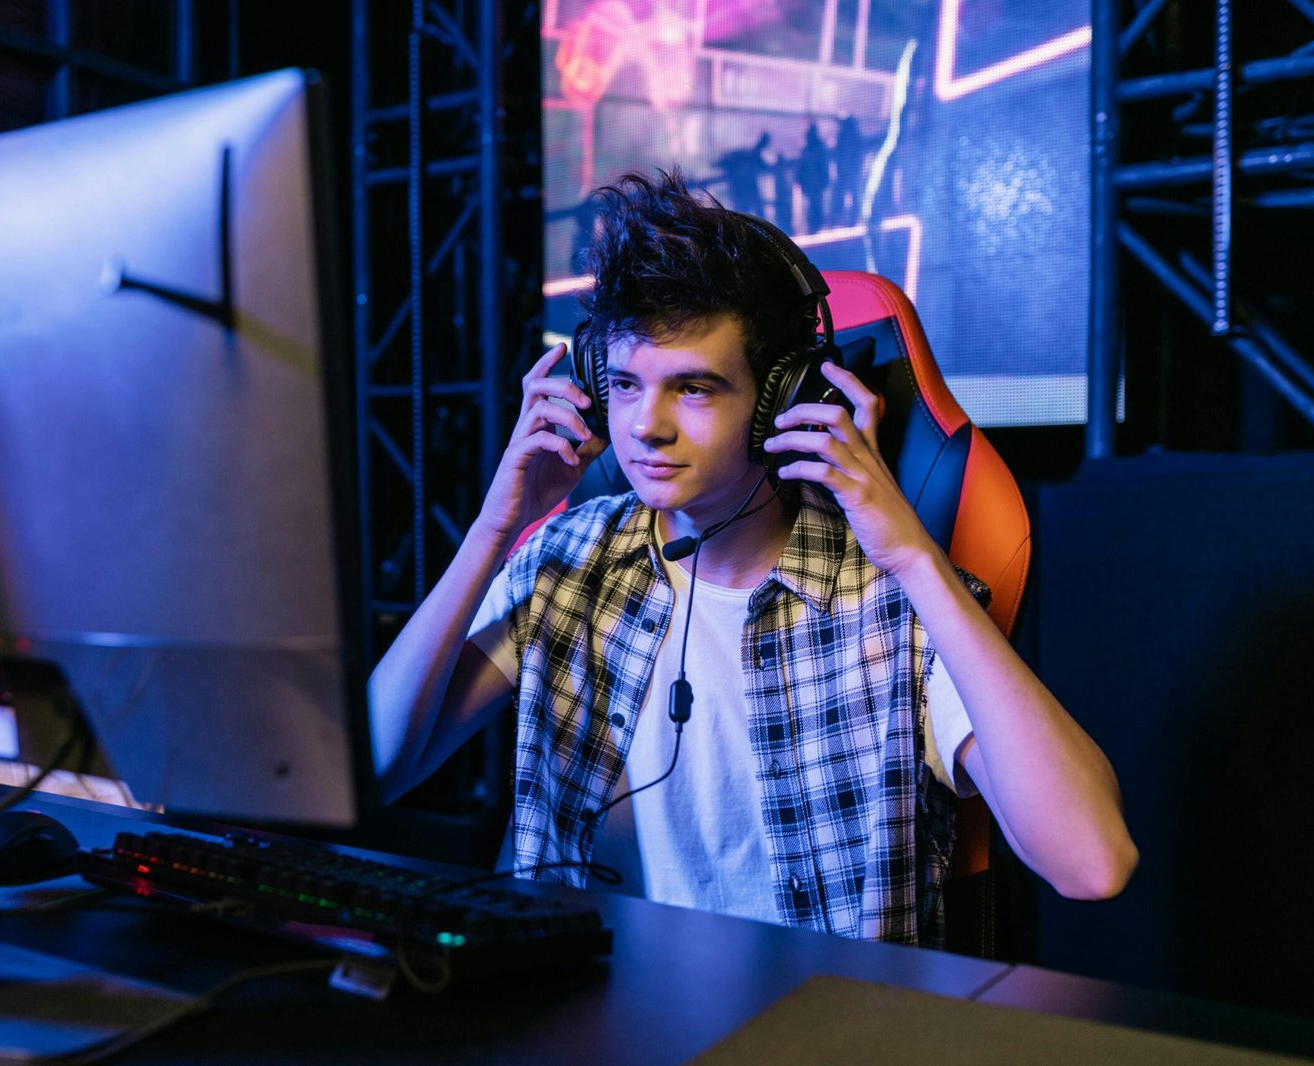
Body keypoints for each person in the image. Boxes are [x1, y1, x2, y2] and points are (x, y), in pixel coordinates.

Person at [368, 169, 1136, 947]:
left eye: (693, 390)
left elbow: (1092, 864)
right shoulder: (570, 564)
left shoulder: (888, 609)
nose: (645, 428)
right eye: (626, 384)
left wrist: (910, 556)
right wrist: (497, 530)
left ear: (785, 403)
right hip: (581, 1019)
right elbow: (375, 768)